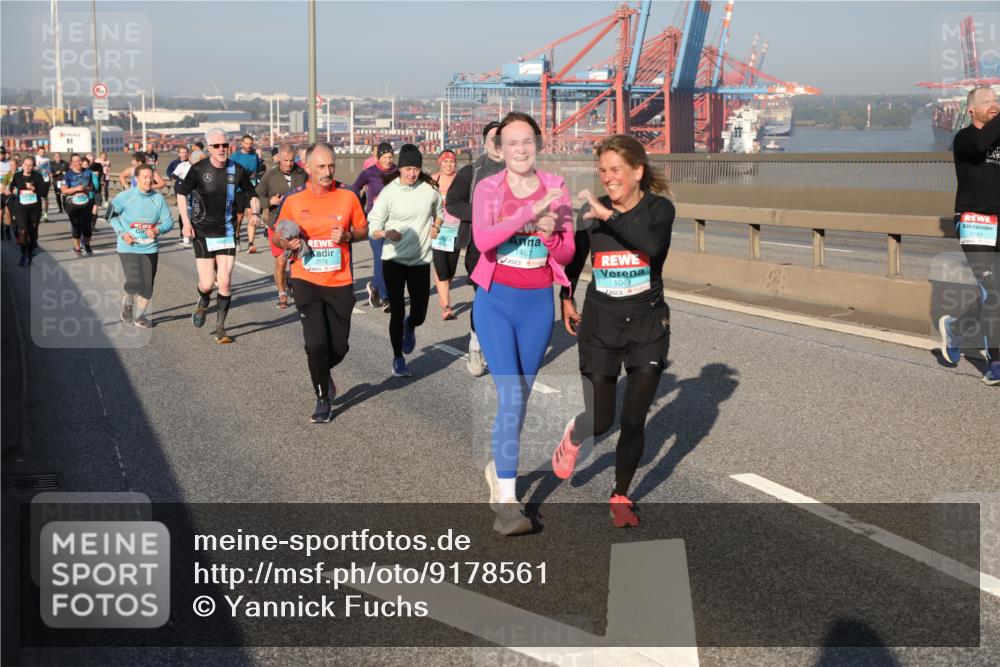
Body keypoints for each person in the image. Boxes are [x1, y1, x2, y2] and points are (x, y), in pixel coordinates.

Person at [549, 135, 675, 528]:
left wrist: (609, 217)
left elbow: (652, 248)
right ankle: (574, 436)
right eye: (602, 171)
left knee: (635, 420)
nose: (607, 178)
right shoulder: (591, 213)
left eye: (615, 170)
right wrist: (565, 298)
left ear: (638, 172)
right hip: (601, 323)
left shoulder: (659, 209)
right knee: (601, 421)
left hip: (647, 325)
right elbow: (574, 260)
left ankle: (621, 494)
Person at [472, 112, 574, 535]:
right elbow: (483, 240)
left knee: (521, 396)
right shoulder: (487, 188)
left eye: (527, 141)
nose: (520, 149)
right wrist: (528, 212)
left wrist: (551, 235)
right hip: (495, 301)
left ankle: (499, 469)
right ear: (500, 148)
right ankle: (508, 503)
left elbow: (567, 253)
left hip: (537, 304)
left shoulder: (557, 187)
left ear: (538, 144)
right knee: (511, 393)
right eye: (512, 142)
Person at [271, 143, 368, 423]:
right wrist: (285, 241)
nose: (328, 172)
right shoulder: (294, 199)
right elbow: (278, 236)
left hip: (339, 282)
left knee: (339, 347)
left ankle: (324, 373)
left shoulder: (348, 195)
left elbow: (364, 229)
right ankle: (322, 398)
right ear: (308, 168)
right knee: (315, 344)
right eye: (322, 167)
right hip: (306, 280)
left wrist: (348, 236)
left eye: (332, 166)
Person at [175, 128, 262, 344]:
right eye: (217, 146)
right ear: (209, 148)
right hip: (202, 231)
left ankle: (221, 328)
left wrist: (256, 212)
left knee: (224, 281)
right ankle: (204, 300)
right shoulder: (197, 170)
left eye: (225, 145)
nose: (222, 149)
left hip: (227, 231)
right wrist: (186, 223)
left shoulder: (237, 170)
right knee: (207, 283)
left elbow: (253, 196)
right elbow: (180, 193)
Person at [939, 85, 1000, 386]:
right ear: (972, 110)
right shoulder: (964, 139)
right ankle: (997, 363)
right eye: (987, 102)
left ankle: (957, 328)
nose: (995, 105)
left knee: (994, 292)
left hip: (999, 221)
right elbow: (980, 147)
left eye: (996, 100)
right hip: (974, 221)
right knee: (994, 291)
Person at [367, 144, 444, 378]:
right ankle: (398, 357)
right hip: (394, 260)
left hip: (420, 260)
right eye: (408, 168)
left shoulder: (429, 191)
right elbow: (373, 226)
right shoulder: (389, 192)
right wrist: (385, 233)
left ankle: (411, 325)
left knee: (419, 312)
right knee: (397, 310)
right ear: (400, 168)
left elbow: (439, 211)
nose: (412, 173)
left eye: (416, 169)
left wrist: (436, 226)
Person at [446, 121, 505, 376]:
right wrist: (483, 214)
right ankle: (476, 344)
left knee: (504, 299)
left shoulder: (521, 170)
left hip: (511, 246)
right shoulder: (472, 171)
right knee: (484, 297)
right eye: (494, 138)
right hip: (478, 246)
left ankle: (501, 347)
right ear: (485, 141)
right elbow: (452, 203)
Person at [107, 163, 175, 328]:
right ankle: (128, 302)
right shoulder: (124, 197)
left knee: (148, 286)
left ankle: (139, 316)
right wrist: (123, 234)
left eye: (151, 177)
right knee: (134, 282)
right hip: (128, 246)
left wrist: (159, 230)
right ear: (136, 179)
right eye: (145, 177)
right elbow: (110, 216)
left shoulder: (158, 199)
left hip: (150, 247)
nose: (149, 180)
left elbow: (169, 221)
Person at [256, 142, 308, 309]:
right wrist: (270, 201)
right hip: (276, 225)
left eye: (292, 160)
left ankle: (294, 285)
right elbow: (256, 196)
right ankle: (282, 294)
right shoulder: (270, 176)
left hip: (298, 226)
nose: (289, 164)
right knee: (281, 261)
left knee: (297, 262)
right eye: (285, 160)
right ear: (279, 159)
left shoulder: (301, 174)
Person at [351, 142, 396, 311]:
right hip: (374, 222)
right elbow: (354, 189)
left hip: (392, 222)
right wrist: (358, 212)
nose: (388, 161)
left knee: (390, 259)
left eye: (391, 157)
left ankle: (375, 287)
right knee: (381, 257)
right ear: (378, 158)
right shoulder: (369, 173)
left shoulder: (397, 172)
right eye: (385, 157)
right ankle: (386, 298)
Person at [431, 149, 460, 320]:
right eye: (446, 162)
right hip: (438, 231)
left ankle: (442, 285)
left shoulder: (460, 180)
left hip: (456, 231)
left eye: (452, 162)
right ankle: (446, 306)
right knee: (442, 269)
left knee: (450, 270)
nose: (449, 165)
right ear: (440, 163)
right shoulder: (433, 181)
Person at [9, 156, 47, 266]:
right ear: (22, 165)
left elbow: (44, 192)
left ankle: (30, 253)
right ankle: (24, 253)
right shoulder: (17, 176)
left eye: (30, 165)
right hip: (21, 208)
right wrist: (14, 190)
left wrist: (33, 189)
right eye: (25, 164)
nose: (27, 167)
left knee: (33, 231)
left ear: (34, 167)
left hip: (34, 208)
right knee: (23, 231)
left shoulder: (38, 177)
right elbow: (12, 188)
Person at [229, 134, 263, 252]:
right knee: (239, 217)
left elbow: (257, 171)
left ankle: (250, 243)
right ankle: (237, 238)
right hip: (238, 190)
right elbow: (228, 171)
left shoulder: (254, 156)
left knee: (251, 214)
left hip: (251, 189)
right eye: (246, 143)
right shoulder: (235, 156)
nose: (248, 146)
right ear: (242, 144)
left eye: (250, 144)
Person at [60, 153, 97, 256]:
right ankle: (77, 247)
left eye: (79, 160)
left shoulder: (88, 172)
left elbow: (91, 187)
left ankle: (87, 244)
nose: (78, 163)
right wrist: (76, 189)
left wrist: (86, 189)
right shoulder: (68, 175)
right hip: (72, 204)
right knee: (76, 225)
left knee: (87, 226)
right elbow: (63, 190)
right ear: (72, 163)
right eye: (75, 161)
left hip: (85, 202)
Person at [34, 147, 52, 222]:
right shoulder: (34, 158)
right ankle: (36, 214)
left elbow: (49, 170)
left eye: (43, 152)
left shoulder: (47, 159)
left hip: (45, 180)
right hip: (36, 180)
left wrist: (51, 180)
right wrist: (35, 168)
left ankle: (45, 215)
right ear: (37, 151)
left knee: (45, 197)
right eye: (41, 152)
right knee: (35, 198)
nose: (42, 153)